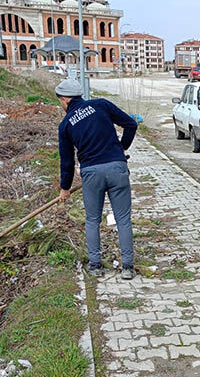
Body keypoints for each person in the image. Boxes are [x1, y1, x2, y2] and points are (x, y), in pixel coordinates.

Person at [55, 78, 138, 279]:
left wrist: (64, 188)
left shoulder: (65, 124)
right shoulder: (101, 104)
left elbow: (66, 161)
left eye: (59, 100)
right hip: (117, 168)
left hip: (91, 173)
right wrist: (121, 148)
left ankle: (95, 266)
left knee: (92, 219)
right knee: (123, 219)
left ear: (65, 99)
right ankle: (127, 268)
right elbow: (131, 124)